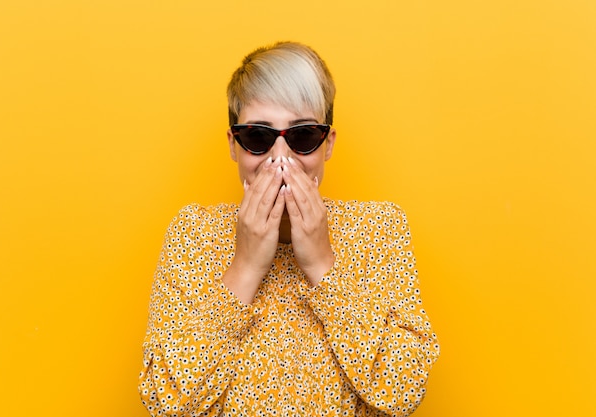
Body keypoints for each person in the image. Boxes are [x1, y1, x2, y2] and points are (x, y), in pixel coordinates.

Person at [138, 41, 440, 416]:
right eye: (258, 138)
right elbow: (165, 402)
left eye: (301, 137)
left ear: (327, 144)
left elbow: (405, 391)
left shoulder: (379, 229)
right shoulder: (192, 235)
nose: (280, 160)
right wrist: (245, 267)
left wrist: (321, 263)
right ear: (234, 145)